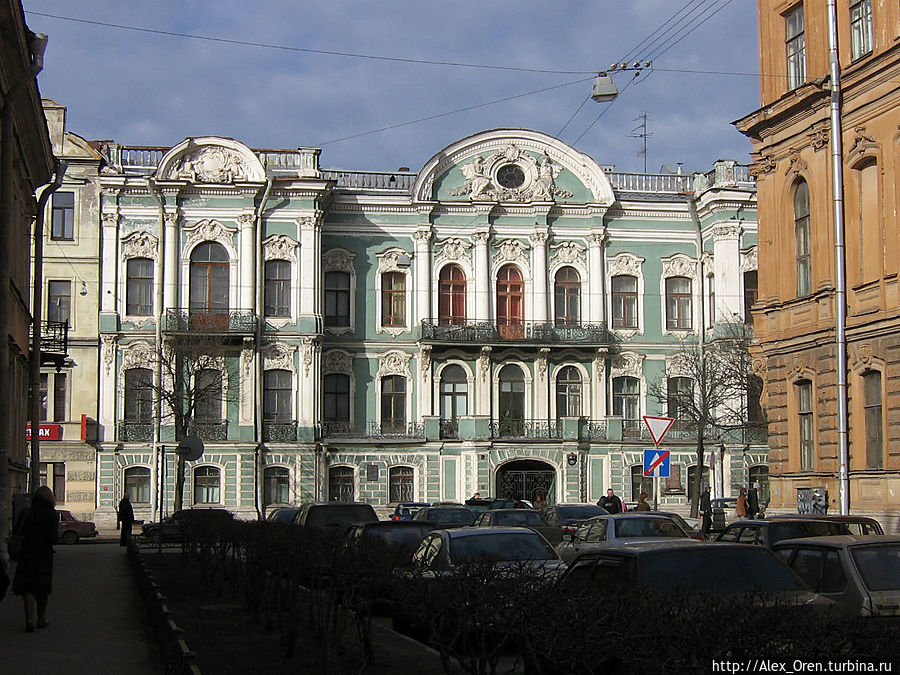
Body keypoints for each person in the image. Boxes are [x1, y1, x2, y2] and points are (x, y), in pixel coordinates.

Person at [12, 486, 58, 632]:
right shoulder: (51, 514)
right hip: (43, 556)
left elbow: (17, 532)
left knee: (27, 588)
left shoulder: (26, 513)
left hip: (26, 554)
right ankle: (41, 618)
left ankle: (29, 620)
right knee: (42, 588)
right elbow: (53, 538)